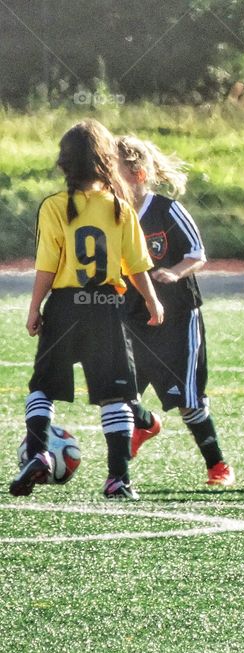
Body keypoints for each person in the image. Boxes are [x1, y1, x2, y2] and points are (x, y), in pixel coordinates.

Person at [9, 119, 164, 500]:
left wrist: (35, 307)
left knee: (42, 387)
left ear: (64, 165)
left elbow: (47, 263)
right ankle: (118, 480)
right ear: (107, 163)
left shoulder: (54, 207)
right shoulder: (120, 209)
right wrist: (152, 300)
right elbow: (136, 265)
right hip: (107, 308)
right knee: (116, 395)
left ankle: (40, 452)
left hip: (64, 305)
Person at [116, 135, 235, 487]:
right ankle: (145, 424)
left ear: (137, 175)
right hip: (131, 314)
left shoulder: (168, 211)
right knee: (118, 393)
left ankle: (218, 466)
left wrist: (174, 271)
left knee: (188, 399)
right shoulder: (113, 215)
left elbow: (197, 254)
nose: (108, 182)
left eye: (115, 174)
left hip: (178, 316)